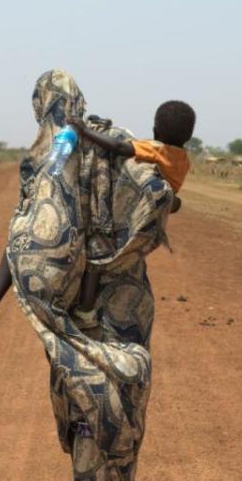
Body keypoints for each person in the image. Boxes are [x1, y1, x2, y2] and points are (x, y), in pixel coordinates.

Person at [0, 69, 174, 481]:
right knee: (120, 401)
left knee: (79, 398)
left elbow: (26, 238)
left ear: (42, 106)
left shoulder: (45, 160)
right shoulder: (115, 142)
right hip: (127, 299)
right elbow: (161, 193)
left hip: (74, 305)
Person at [70, 101, 194, 328]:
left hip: (143, 205)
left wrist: (84, 131)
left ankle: (85, 311)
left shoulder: (157, 150)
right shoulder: (184, 159)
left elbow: (120, 149)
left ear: (156, 131)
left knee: (98, 255)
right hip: (156, 215)